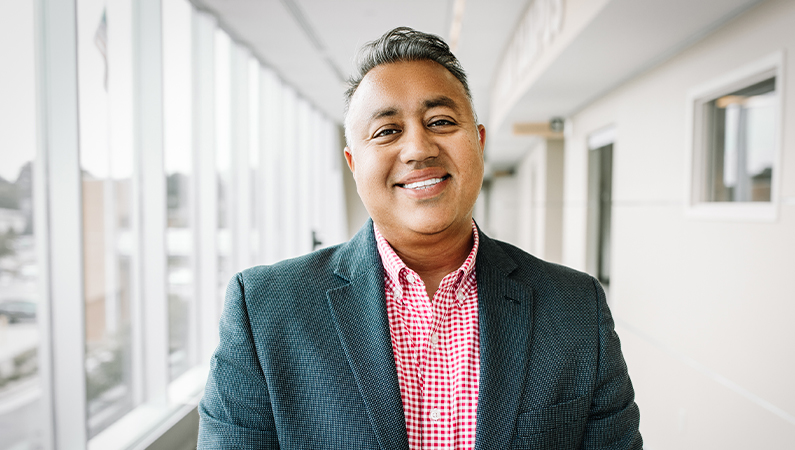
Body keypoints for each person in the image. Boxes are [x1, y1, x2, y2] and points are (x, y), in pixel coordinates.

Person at [198, 27, 641, 450]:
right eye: (387, 131)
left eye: (442, 121)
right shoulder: (265, 310)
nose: (419, 149)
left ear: (479, 142)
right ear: (353, 163)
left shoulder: (574, 307)